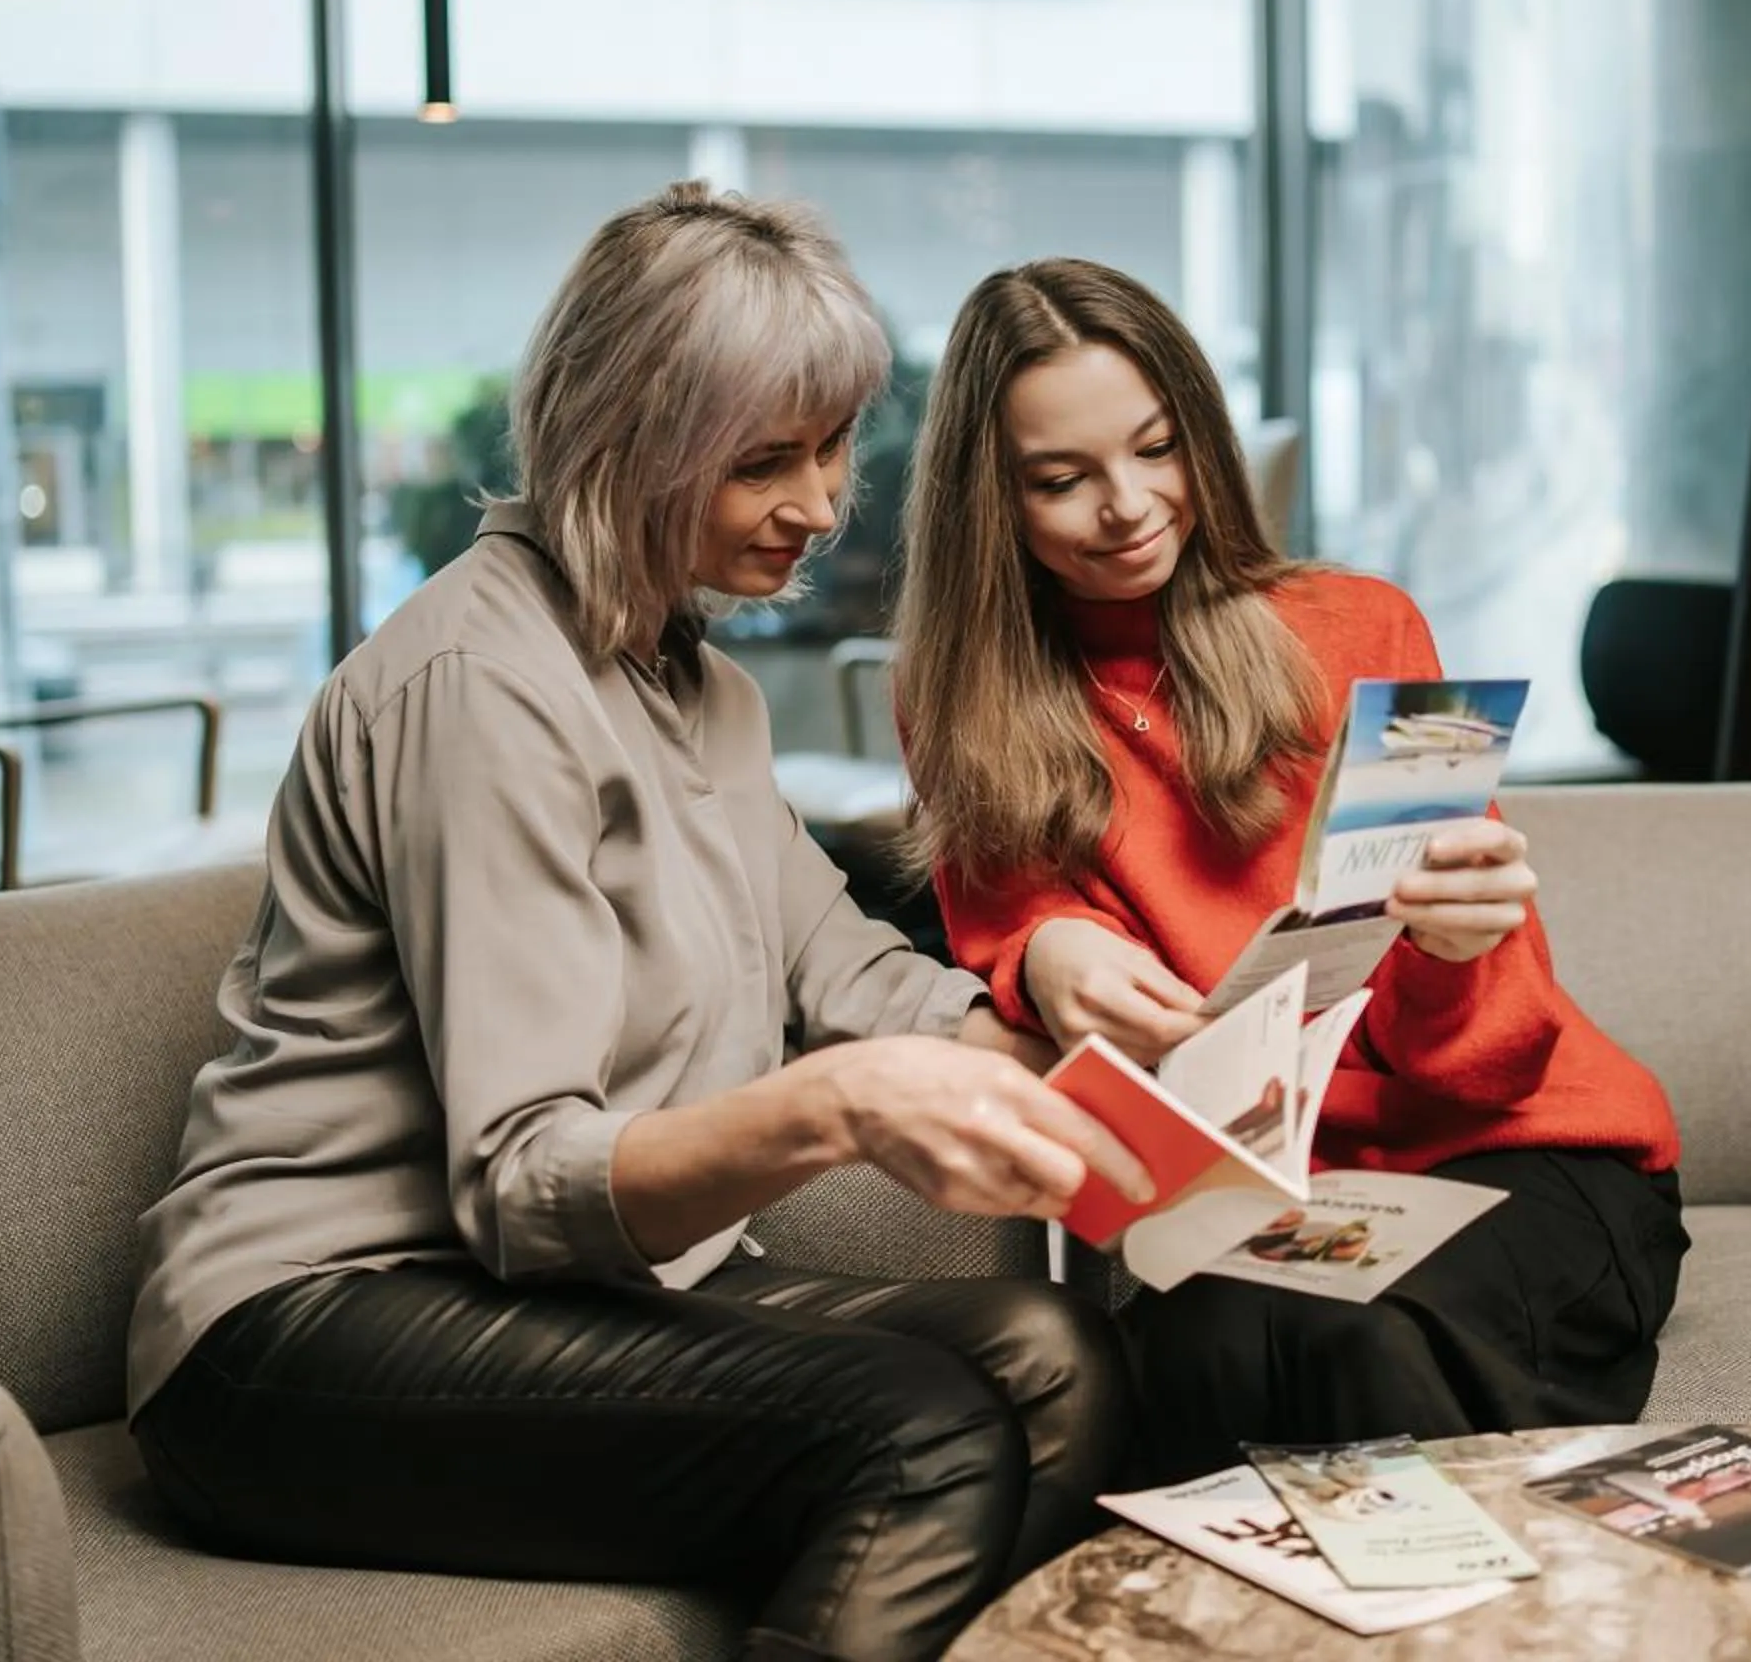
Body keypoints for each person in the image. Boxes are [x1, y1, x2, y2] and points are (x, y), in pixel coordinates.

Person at [126, 188, 1154, 1662]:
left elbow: (843, 966)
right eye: (763, 462)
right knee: (919, 1436)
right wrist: (837, 1106)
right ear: (629, 451)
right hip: (304, 1334)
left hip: (565, 1297)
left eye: (832, 444)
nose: (820, 503)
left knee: (1060, 1361)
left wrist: (1093, 1061)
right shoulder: (483, 689)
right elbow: (522, 1182)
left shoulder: (703, 691)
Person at [894, 256, 1688, 1484]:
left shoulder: (1360, 626)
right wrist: (1038, 952)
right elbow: (1005, 934)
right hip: (1262, 1197)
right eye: (1061, 479)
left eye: (1159, 448)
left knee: (1353, 1344)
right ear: (990, 504)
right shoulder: (957, 706)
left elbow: (1498, 1056)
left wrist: (1454, 954)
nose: (1129, 505)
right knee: (1195, 1351)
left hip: (1522, 1151)